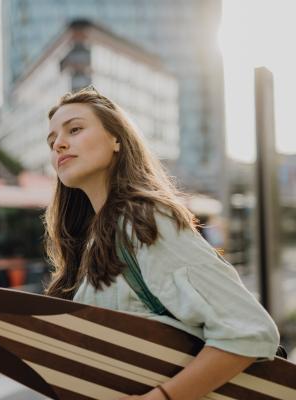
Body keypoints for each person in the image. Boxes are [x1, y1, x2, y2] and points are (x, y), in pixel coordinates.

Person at [44, 86, 279, 400]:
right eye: (51, 141)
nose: (59, 144)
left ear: (116, 139)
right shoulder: (91, 240)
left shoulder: (143, 220)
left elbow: (247, 328)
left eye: (74, 129)